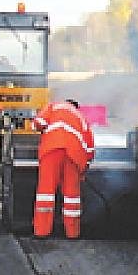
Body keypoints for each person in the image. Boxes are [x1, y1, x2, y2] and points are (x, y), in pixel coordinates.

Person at [31, 98, 94, 239]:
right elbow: (90, 147)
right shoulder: (81, 117)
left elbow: (38, 123)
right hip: (74, 154)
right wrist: (84, 168)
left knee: (46, 192)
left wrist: (41, 129)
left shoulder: (54, 106)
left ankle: (41, 232)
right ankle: (73, 233)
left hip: (52, 148)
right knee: (72, 195)